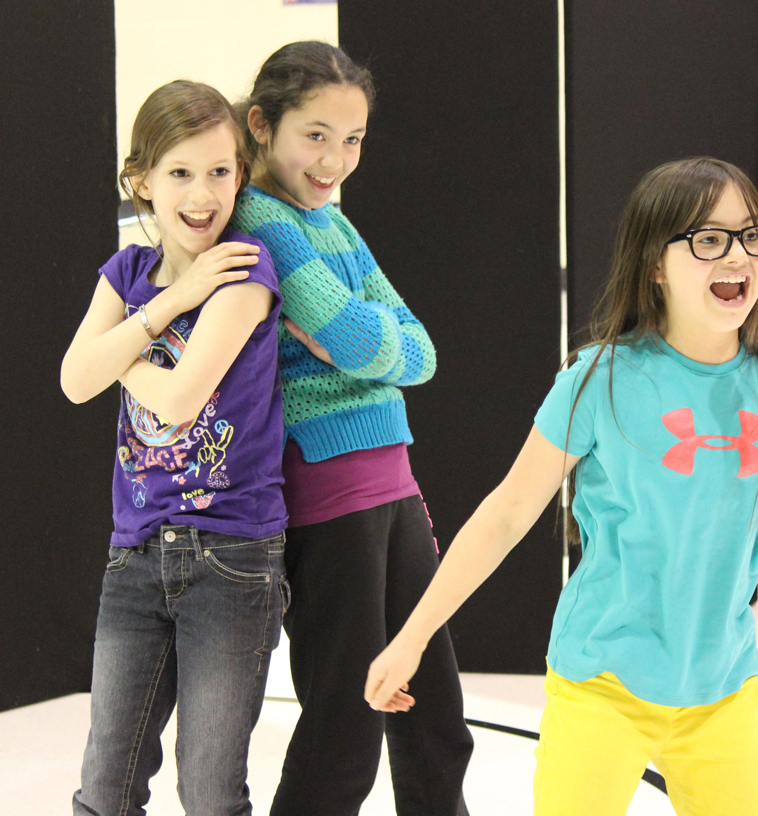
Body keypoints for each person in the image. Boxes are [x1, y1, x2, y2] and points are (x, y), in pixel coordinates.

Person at [364, 157, 758, 816]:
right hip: (601, 682)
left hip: (720, 686)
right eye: (707, 239)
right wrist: (411, 638)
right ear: (654, 264)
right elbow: (506, 513)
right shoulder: (599, 378)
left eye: (752, 235)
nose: (738, 256)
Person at [230, 41, 473, 816]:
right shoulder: (264, 220)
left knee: (432, 714)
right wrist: (363, 340)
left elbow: (421, 353)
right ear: (262, 126)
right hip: (329, 495)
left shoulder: (331, 224)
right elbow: (376, 343)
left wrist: (358, 339)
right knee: (346, 725)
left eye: (353, 140)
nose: (335, 158)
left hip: (392, 486)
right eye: (316, 135)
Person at [61, 80, 288, 816]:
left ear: (240, 177)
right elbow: (72, 382)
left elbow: (176, 397)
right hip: (134, 556)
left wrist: (119, 347)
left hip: (233, 557)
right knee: (106, 786)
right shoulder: (128, 273)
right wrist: (165, 306)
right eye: (180, 173)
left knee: (211, 790)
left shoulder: (243, 267)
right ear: (142, 183)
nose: (202, 193)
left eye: (220, 171)